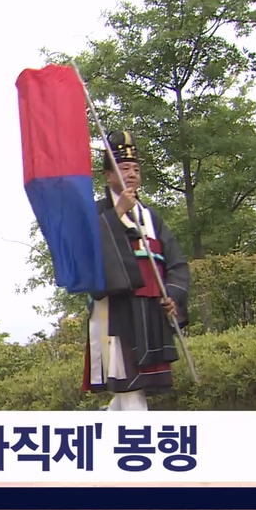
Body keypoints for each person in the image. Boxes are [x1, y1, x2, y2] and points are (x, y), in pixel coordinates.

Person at [84, 131, 191, 411]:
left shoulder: (152, 218)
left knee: (131, 391)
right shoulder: (95, 214)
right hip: (118, 312)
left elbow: (176, 263)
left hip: (151, 311)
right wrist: (116, 215)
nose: (131, 174)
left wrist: (173, 296)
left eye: (135, 169)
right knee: (131, 389)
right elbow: (86, 252)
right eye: (123, 168)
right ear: (108, 175)